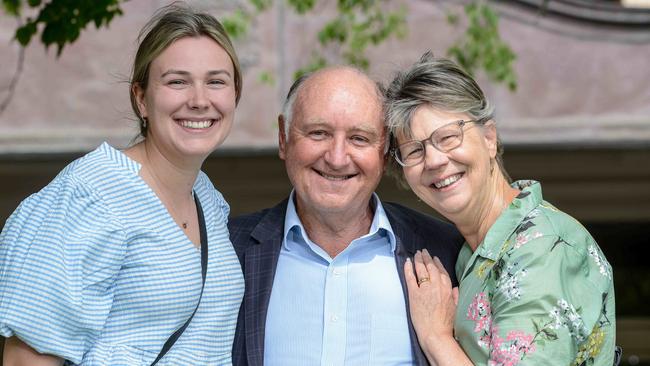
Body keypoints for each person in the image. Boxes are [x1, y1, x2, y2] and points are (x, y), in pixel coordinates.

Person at [0, 4, 244, 365]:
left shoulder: (208, 199)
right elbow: (27, 359)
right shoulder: (88, 195)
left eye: (216, 81)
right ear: (141, 98)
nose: (199, 100)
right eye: (177, 81)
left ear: (234, 95)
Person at [385, 52, 617, 366]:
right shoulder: (475, 252)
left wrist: (435, 336)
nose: (435, 160)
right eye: (414, 150)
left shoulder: (542, 246)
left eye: (449, 137)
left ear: (489, 137)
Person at [228, 66, 464, 366]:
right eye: (318, 133)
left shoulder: (446, 251)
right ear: (283, 138)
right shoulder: (226, 250)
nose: (337, 158)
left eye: (359, 138)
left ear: (385, 150)